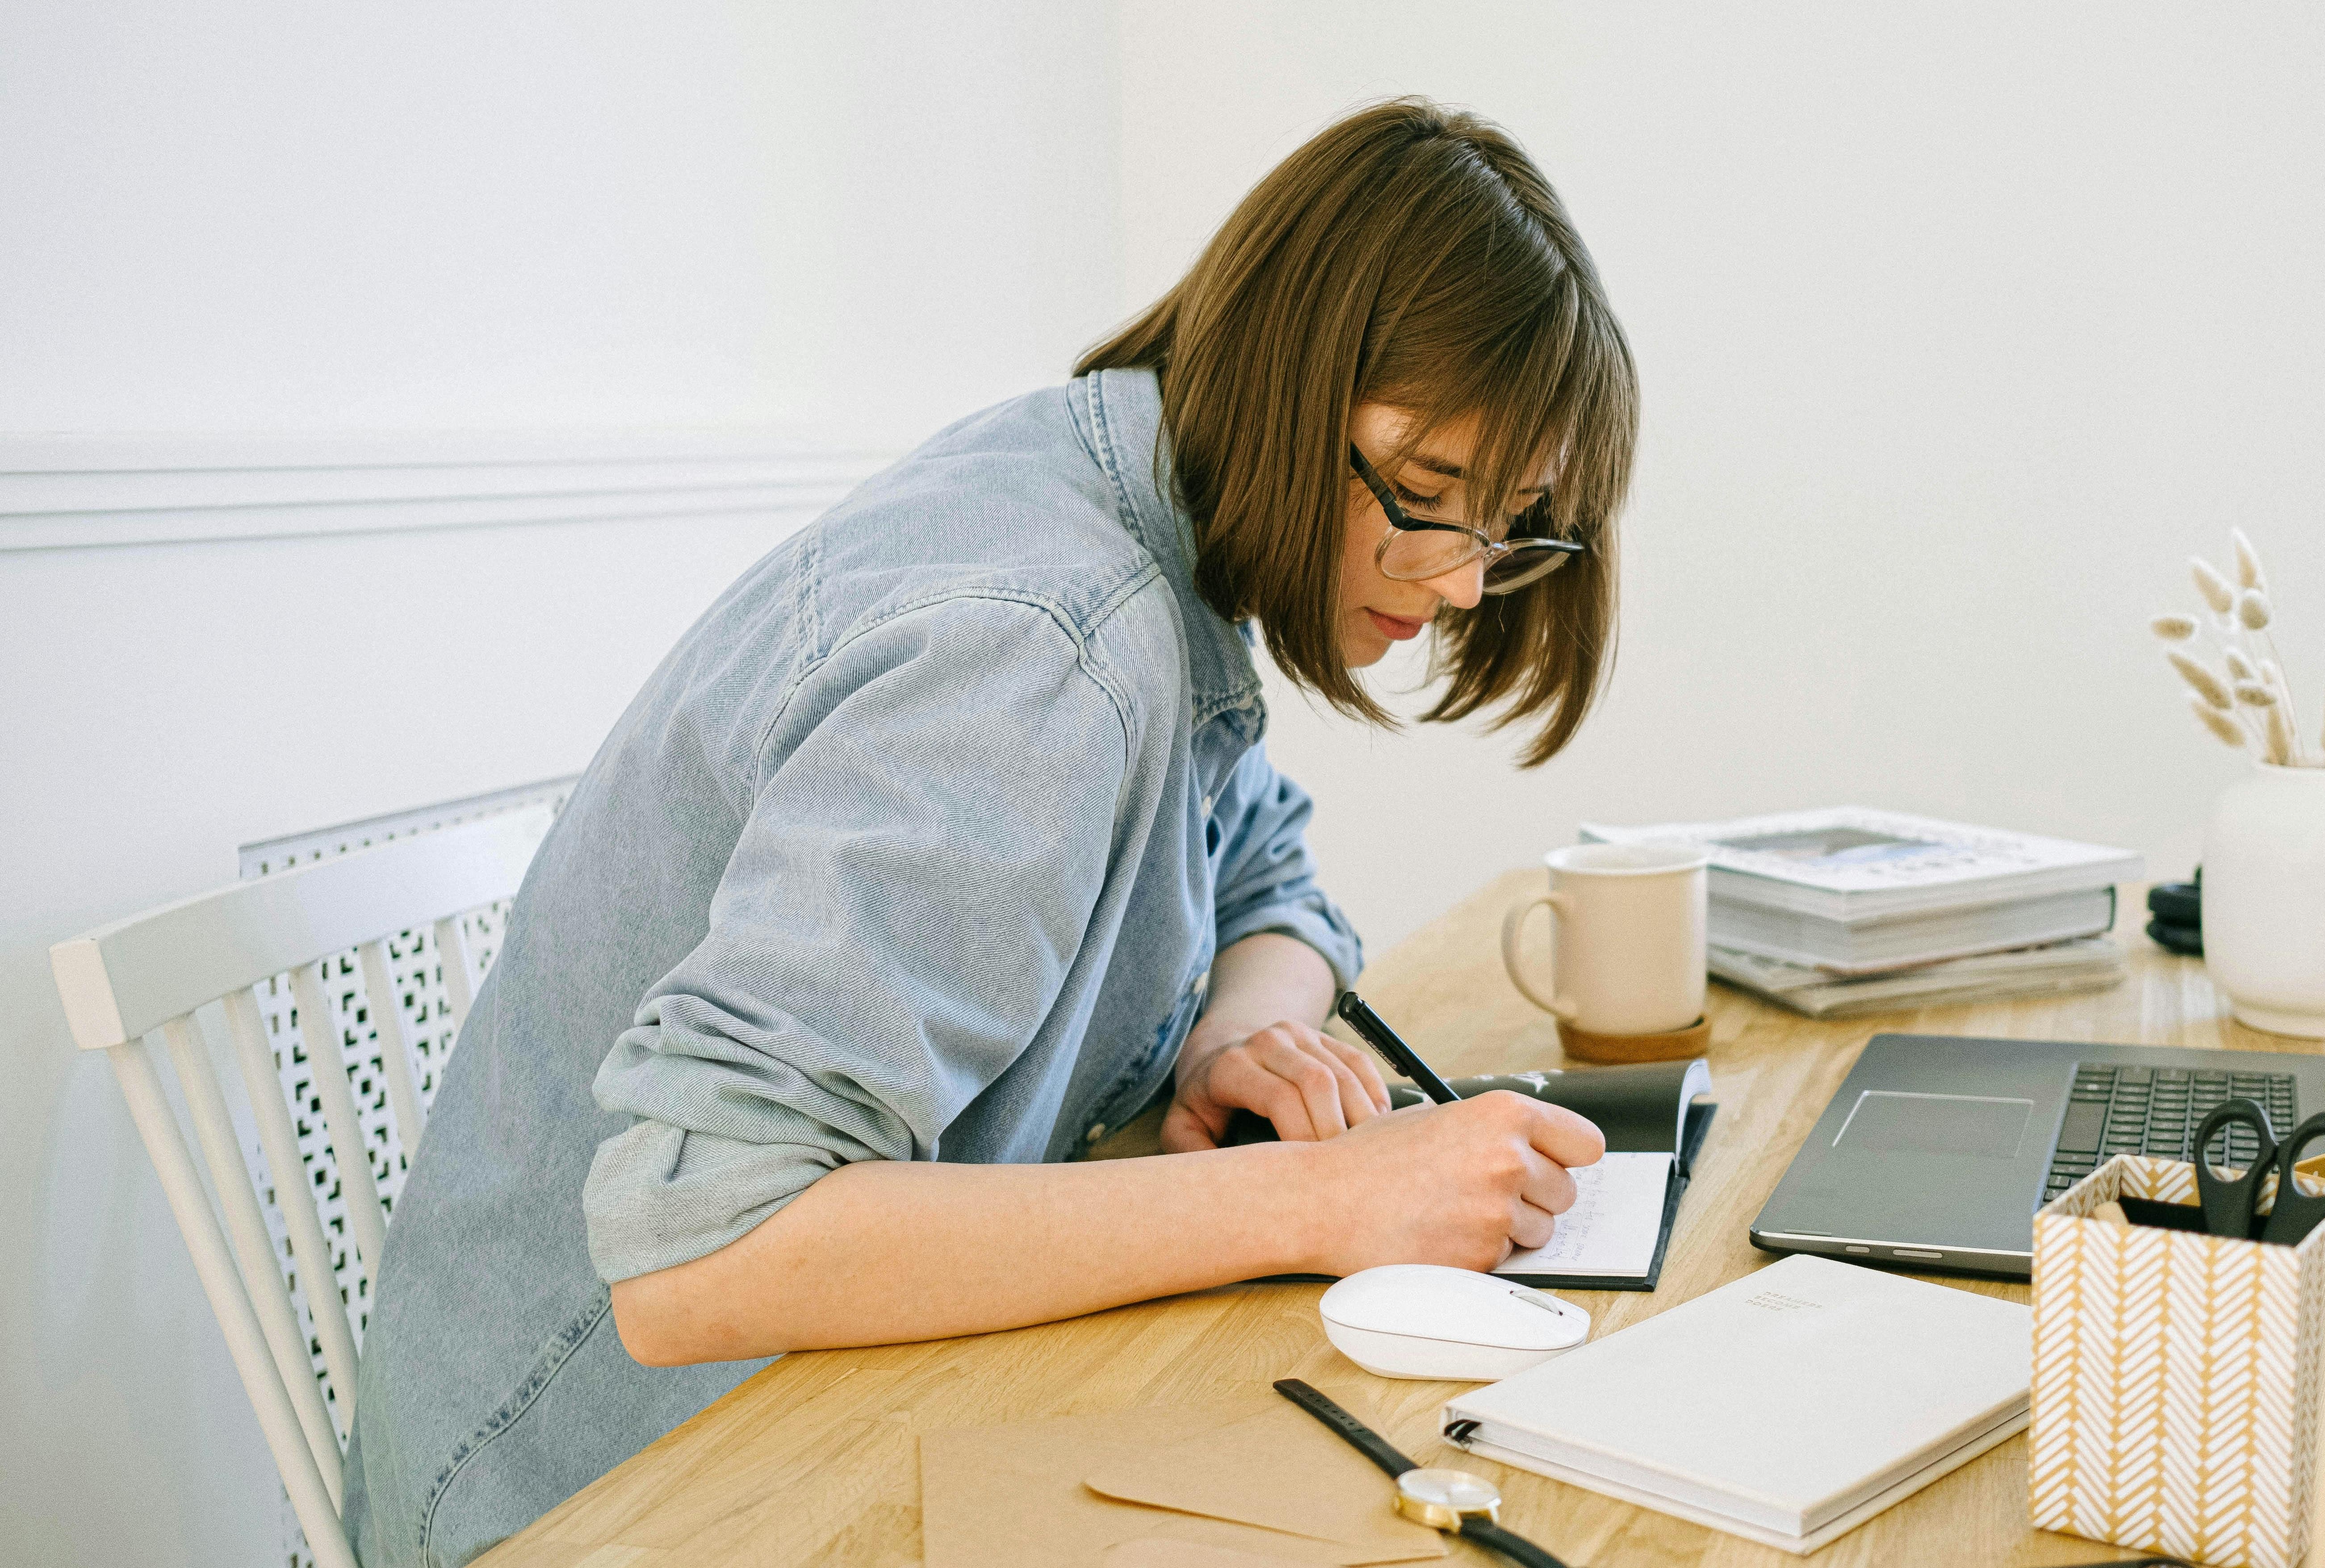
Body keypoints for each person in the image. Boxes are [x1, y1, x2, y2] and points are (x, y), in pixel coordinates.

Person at [342, 97, 1638, 1568]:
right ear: (1289, 379)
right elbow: (700, 1248)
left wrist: (1240, 1042)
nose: (1466, 585)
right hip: (604, 1492)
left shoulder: (1141, 514)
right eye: (1424, 498)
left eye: (1509, 525)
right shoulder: (1045, 649)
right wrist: (1323, 1194)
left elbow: (1268, 869)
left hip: (825, 1408)